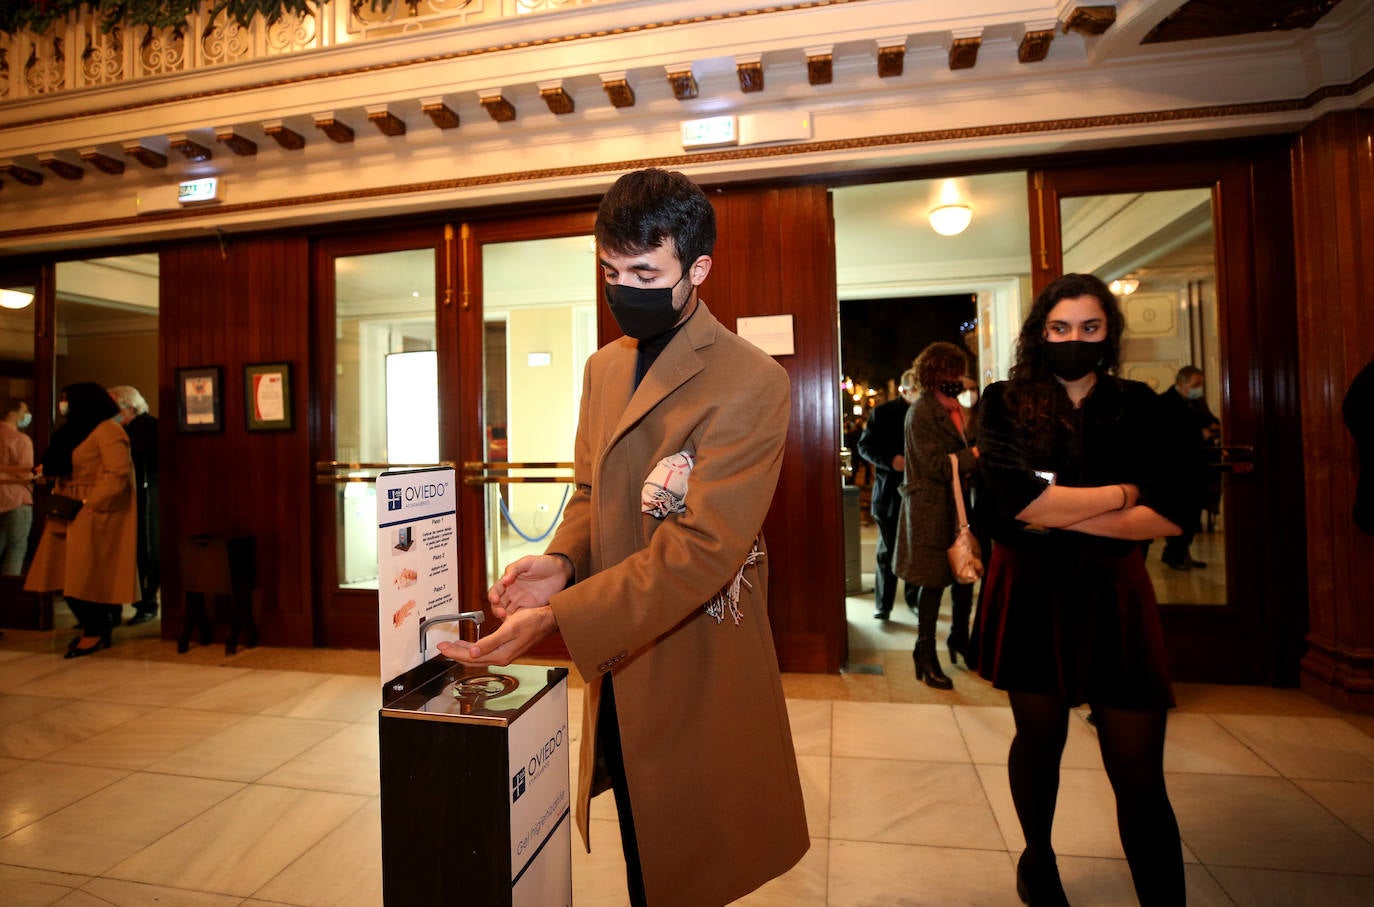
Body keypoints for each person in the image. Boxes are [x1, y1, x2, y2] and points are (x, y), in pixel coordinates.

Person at [436, 168, 808, 906]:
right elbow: (590, 490)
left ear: (696, 269)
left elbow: (704, 546)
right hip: (617, 637)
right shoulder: (604, 366)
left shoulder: (751, 380)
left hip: (694, 646)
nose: (622, 287)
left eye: (645, 271)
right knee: (640, 829)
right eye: (610, 270)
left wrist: (561, 615)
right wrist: (563, 558)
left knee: (689, 847)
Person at [968, 273, 1188, 906]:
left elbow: (1173, 512)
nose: (1074, 340)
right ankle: (1038, 862)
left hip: (1115, 597)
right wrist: (1124, 495)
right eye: (1060, 328)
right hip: (1032, 595)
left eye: (1089, 328)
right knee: (1040, 744)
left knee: (1140, 771)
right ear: (1041, 332)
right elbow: (1011, 505)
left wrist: (1058, 510)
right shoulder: (1005, 401)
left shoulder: (1142, 404)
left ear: (1109, 333)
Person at [25, 382, 140, 658]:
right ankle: (94, 625)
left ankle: (96, 628)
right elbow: (66, 460)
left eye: (67, 400)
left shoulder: (108, 431)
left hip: (92, 511)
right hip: (67, 507)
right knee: (63, 573)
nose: (64, 405)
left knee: (87, 574)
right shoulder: (73, 430)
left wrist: (92, 503)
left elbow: (116, 474)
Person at [894, 343, 978, 690]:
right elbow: (938, 466)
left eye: (957, 373)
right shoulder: (922, 412)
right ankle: (924, 652)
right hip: (930, 509)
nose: (955, 380)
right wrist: (975, 454)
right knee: (932, 584)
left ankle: (960, 638)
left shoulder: (958, 409)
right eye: (948, 374)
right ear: (932, 376)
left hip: (957, 507)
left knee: (964, 574)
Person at [857, 369, 918, 620]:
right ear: (904, 390)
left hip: (916, 492)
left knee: (916, 549)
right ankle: (884, 603)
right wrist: (889, 461)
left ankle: (914, 600)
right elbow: (865, 445)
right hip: (889, 493)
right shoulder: (883, 413)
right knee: (888, 549)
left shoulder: (926, 412)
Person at [1156, 366, 1216, 570]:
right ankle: (1175, 555)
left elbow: (1210, 419)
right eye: (1195, 385)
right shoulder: (1164, 403)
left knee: (1192, 514)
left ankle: (1183, 554)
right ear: (1181, 384)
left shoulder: (1197, 402)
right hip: (1175, 470)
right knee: (1178, 514)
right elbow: (1168, 437)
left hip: (1197, 468)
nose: (1199, 389)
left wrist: (1214, 427)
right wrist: (1200, 435)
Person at [109, 385, 160, 624]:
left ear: (129, 406)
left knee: (144, 551)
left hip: (146, 499)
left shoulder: (146, 428)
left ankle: (146, 602)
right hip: (131, 497)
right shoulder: (119, 429)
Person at [0, 396, 34, 575]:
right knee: (16, 549)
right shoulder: (21, 440)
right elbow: (25, 472)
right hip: (16, 499)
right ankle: (7, 597)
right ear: (12, 414)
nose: (27, 415)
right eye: (24, 412)